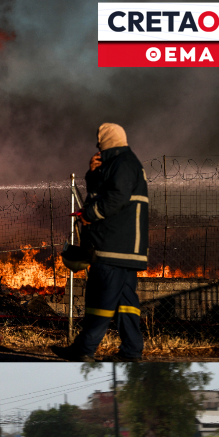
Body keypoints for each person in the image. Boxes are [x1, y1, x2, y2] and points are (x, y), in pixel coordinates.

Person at [52, 123, 149, 361]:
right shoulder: (122, 163)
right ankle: (132, 351)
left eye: (100, 144)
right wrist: (93, 175)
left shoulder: (122, 163)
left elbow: (116, 198)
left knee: (100, 299)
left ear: (107, 142)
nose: (98, 149)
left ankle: (83, 349)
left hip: (113, 247)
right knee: (126, 303)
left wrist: (89, 214)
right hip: (124, 250)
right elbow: (102, 193)